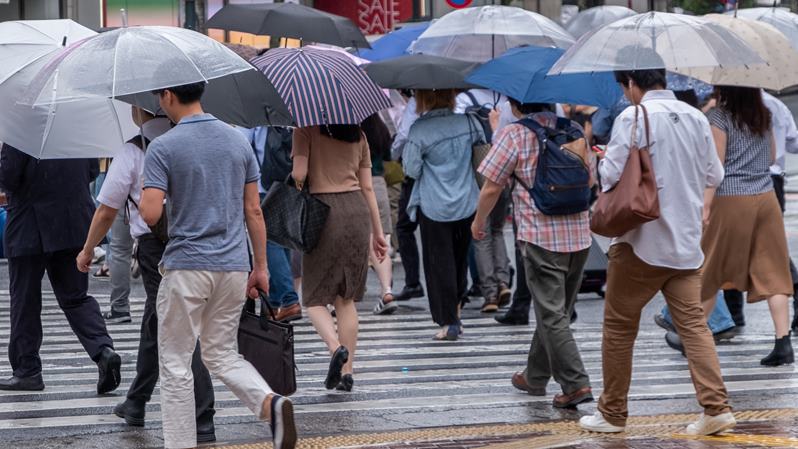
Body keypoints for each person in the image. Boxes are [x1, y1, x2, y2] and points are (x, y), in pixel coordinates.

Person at [139, 81, 295, 449]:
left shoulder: (163, 146)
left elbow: (150, 213)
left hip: (187, 267)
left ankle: (180, 444)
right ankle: (268, 401)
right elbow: (254, 210)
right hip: (233, 265)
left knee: (177, 363)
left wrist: (155, 188)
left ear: (168, 96)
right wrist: (261, 267)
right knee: (221, 353)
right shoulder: (237, 140)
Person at [579, 66, 734, 435]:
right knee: (695, 327)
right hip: (686, 242)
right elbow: (716, 175)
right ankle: (716, 407)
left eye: (624, 86)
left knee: (618, 328)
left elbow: (612, 175)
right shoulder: (696, 116)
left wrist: (600, 158)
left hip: (642, 242)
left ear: (631, 84)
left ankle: (612, 413)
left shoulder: (634, 116)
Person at [75, 107, 217, 442]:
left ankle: (203, 413)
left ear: (145, 106)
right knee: (158, 319)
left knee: (179, 324)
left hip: (155, 248)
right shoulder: (190, 140)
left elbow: (108, 209)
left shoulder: (135, 148)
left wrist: (87, 249)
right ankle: (137, 400)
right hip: (193, 241)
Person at [473, 98, 593, 408]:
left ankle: (576, 383)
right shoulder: (574, 129)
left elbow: (491, 185)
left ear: (515, 103)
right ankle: (535, 376)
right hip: (579, 234)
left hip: (540, 237)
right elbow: (590, 178)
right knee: (555, 310)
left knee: (552, 313)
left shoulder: (514, 133)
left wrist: (478, 220)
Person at [0, 144, 121, 394]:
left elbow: (8, 177)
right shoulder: (72, 130)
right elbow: (90, 171)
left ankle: (27, 370)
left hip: (29, 226)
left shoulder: (23, 131)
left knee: (25, 299)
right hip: (73, 221)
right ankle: (103, 350)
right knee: (76, 297)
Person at [292, 122, 387, 393]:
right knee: (345, 299)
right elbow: (368, 188)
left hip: (323, 213)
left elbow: (299, 174)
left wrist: (299, 177)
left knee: (312, 297)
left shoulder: (305, 131)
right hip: (357, 212)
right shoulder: (359, 135)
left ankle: (336, 348)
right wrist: (378, 233)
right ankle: (348, 372)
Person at [702, 86, 794, 366]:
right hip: (766, 196)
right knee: (774, 269)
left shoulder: (719, 117)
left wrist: (705, 204)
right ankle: (783, 341)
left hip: (730, 196)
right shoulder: (763, 113)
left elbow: (716, 168)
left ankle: (691, 333)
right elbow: (771, 158)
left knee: (710, 267)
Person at [403, 89, 483, 341]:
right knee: (460, 261)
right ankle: (456, 311)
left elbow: (411, 169)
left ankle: (449, 320)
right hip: (467, 201)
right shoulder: (470, 122)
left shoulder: (420, 130)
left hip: (434, 204)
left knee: (440, 264)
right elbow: (481, 159)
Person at [239, 125, 302, 323]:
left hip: (262, 185)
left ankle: (288, 299)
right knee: (283, 240)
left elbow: (241, 143)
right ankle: (273, 303)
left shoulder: (253, 115)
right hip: (288, 183)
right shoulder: (290, 111)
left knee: (269, 241)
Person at [761, 91, 798, 334]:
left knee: (768, 250)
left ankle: (729, 314)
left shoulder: (727, 107)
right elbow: (794, 142)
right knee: (769, 248)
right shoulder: (775, 105)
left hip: (742, 185)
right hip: (774, 181)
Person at [361, 113, 398, 315]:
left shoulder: (347, 130)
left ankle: (336, 299)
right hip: (378, 185)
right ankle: (387, 291)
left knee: (349, 243)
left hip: (353, 186)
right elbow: (388, 155)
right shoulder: (379, 127)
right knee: (380, 241)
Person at [391, 95, 425, 302]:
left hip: (416, 172)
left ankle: (413, 282)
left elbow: (403, 135)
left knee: (404, 227)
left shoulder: (416, 102)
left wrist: (394, 154)